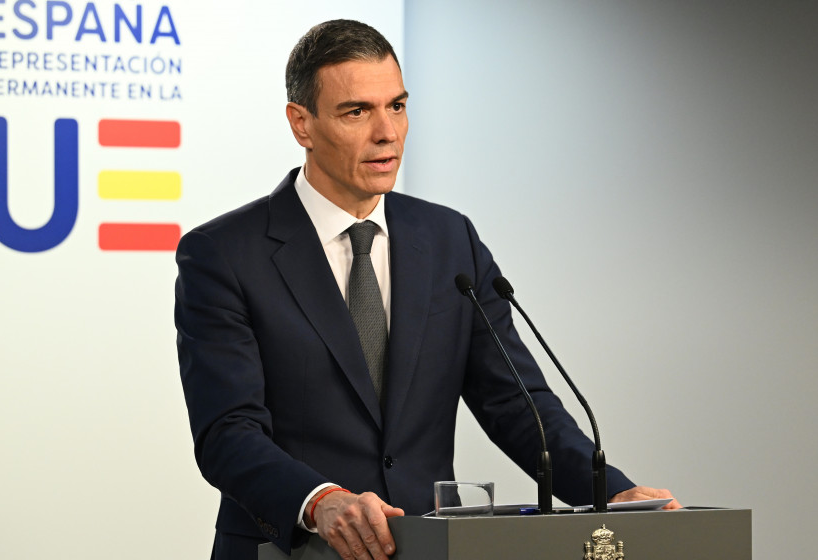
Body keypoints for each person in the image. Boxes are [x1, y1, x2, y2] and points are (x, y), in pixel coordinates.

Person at [175, 19, 678, 560]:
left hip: (427, 548)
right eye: (356, 111)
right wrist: (320, 500)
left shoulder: (448, 239)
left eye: (396, 106)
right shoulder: (225, 253)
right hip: (291, 550)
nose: (387, 132)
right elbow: (228, 431)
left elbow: (514, 400)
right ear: (302, 124)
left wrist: (611, 495)